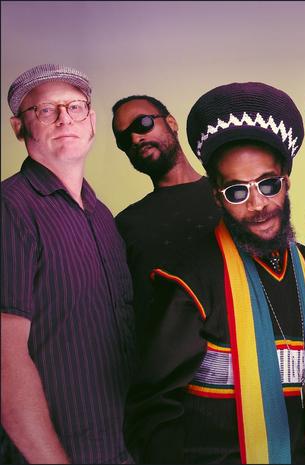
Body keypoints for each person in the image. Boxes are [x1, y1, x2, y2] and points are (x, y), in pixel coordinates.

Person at [124, 82, 305, 464]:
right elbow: (153, 413)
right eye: (237, 191)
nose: (258, 204)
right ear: (216, 195)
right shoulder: (185, 286)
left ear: (286, 181)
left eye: (268, 184)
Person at [1, 64, 135, 463]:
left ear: (91, 121)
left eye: (75, 107)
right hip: (59, 453)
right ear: (18, 128)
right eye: (46, 110)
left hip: (124, 446)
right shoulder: (10, 208)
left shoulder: (103, 217)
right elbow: (5, 359)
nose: (64, 118)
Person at [111, 95, 221, 331]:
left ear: (171, 123)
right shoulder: (125, 224)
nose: (135, 138)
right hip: (163, 354)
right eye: (124, 139)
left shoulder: (230, 196)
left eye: (142, 124)